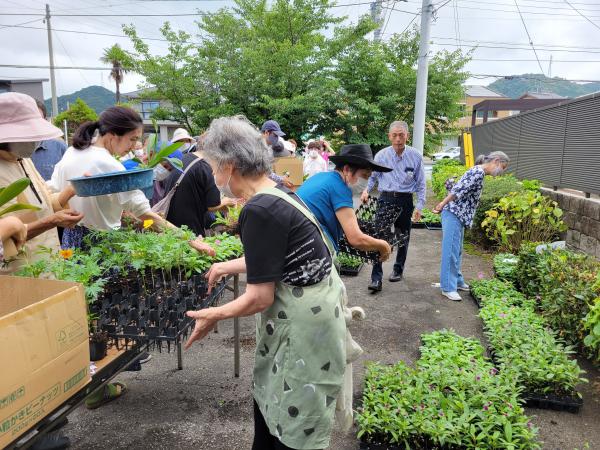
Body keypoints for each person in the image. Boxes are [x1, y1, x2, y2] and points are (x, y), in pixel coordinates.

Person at [185, 116, 346, 450]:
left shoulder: (258, 209)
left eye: (214, 165)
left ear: (229, 166)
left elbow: (259, 297)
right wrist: (226, 265)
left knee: (289, 425)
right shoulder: (279, 192)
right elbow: (278, 257)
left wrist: (212, 315)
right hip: (317, 321)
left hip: (300, 334)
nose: (213, 175)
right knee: (277, 413)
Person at [49, 106, 171, 249]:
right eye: (132, 139)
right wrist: (189, 239)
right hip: (100, 243)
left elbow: (54, 190)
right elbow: (144, 212)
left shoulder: (72, 151)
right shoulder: (108, 163)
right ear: (113, 134)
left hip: (70, 239)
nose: (133, 146)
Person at [0, 93, 83, 274]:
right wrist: (51, 221)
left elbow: (42, 200)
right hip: (20, 271)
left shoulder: (22, 159)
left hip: (47, 259)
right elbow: (7, 237)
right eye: (27, 134)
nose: (35, 140)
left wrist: (71, 190)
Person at [433, 151, 510, 301]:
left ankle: (457, 281)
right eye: (502, 167)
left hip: (458, 216)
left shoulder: (478, 172)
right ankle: (448, 287)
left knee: (457, 250)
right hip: (453, 214)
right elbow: (457, 191)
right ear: (495, 161)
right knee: (451, 252)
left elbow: (461, 188)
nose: (501, 172)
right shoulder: (478, 172)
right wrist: (442, 204)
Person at [297, 144, 392, 262]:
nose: (365, 182)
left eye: (368, 177)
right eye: (364, 176)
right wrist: (383, 245)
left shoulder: (321, 177)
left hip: (297, 246)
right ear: (346, 169)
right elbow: (356, 239)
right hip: (310, 255)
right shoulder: (340, 188)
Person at [361, 120, 426, 293]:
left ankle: (398, 269)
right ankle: (376, 278)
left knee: (402, 236)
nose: (398, 139)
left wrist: (419, 206)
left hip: (405, 201)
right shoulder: (381, 155)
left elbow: (421, 184)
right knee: (379, 236)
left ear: (407, 136)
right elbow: (373, 177)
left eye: (401, 135)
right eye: (395, 135)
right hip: (385, 199)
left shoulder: (416, 156)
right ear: (389, 136)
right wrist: (366, 191)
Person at [161, 137, 235, 236]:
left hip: (170, 223)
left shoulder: (185, 157)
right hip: (189, 229)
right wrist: (228, 202)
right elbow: (213, 205)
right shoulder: (206, 166)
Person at [29, 100, 68, 181]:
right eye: (29, 118)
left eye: (37, 118)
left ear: (45, 121)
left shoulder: (59, 147)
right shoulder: (11, 153)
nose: (33, 123)